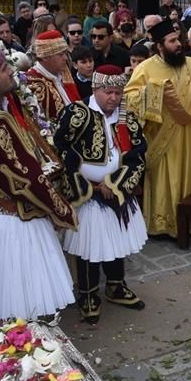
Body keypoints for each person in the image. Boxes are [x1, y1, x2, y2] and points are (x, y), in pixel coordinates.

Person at [0, 39, 77, 322]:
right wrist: (62, 211)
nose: (11, 71)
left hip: (6, 217)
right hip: (11, 224)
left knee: (23, 306)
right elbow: (26, 179)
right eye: (3, 67)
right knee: (18, 309)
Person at [56, 65, 148, 323]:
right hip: (86, 193)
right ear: (95, 89)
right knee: (89, 246)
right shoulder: (77, 113)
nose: (114, 98)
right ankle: (87, 294)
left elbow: (138, 152)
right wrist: (86, 184)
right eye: (108, 92)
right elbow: (60, 146)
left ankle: (116, 286)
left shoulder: (126, 116)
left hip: (117, 190)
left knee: (116, 242)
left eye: (118, 93)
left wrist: (116, 183)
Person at [124, 20, 191, 237]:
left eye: (177, 39)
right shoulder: (145, 68)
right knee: (165, 180)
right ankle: (163, 224)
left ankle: (188, 221)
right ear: (160, 46)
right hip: (161, 137)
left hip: (188, 136)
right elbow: (129, 98)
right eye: (172, 41)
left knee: (188, 177)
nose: (178, 44)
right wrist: (155, 91)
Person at [25, 30, 83, 122]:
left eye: (66, 53)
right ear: (45, 56)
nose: (66, 58)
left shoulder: (63, 72)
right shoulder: (32, 82)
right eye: (60, 54)